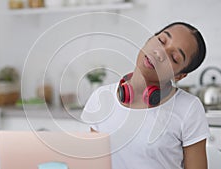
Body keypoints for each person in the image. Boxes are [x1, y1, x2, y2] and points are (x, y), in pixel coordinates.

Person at [81, 22, 210, 169]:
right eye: (161, 41)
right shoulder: (101, 98)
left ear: (180, 76)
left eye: (174, 57)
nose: (160, 53)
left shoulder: (189, 108)